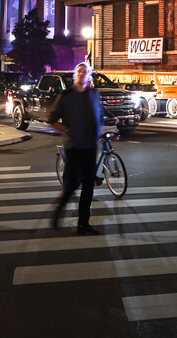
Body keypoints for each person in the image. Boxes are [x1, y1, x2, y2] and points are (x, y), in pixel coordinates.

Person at [48, 62, 112, 235]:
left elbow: (99, 115)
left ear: (89, 75)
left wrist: (99, 129)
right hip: (74, 146)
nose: (82, 74)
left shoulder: (93, 94)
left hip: (90, 147)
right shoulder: (67, 96)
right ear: (75, 75)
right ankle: (56, 214)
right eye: (79, 71)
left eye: (85, 72)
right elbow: (51, 118)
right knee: (71, 185)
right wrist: (66, 130)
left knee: (88, 187)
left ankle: (83, 224)